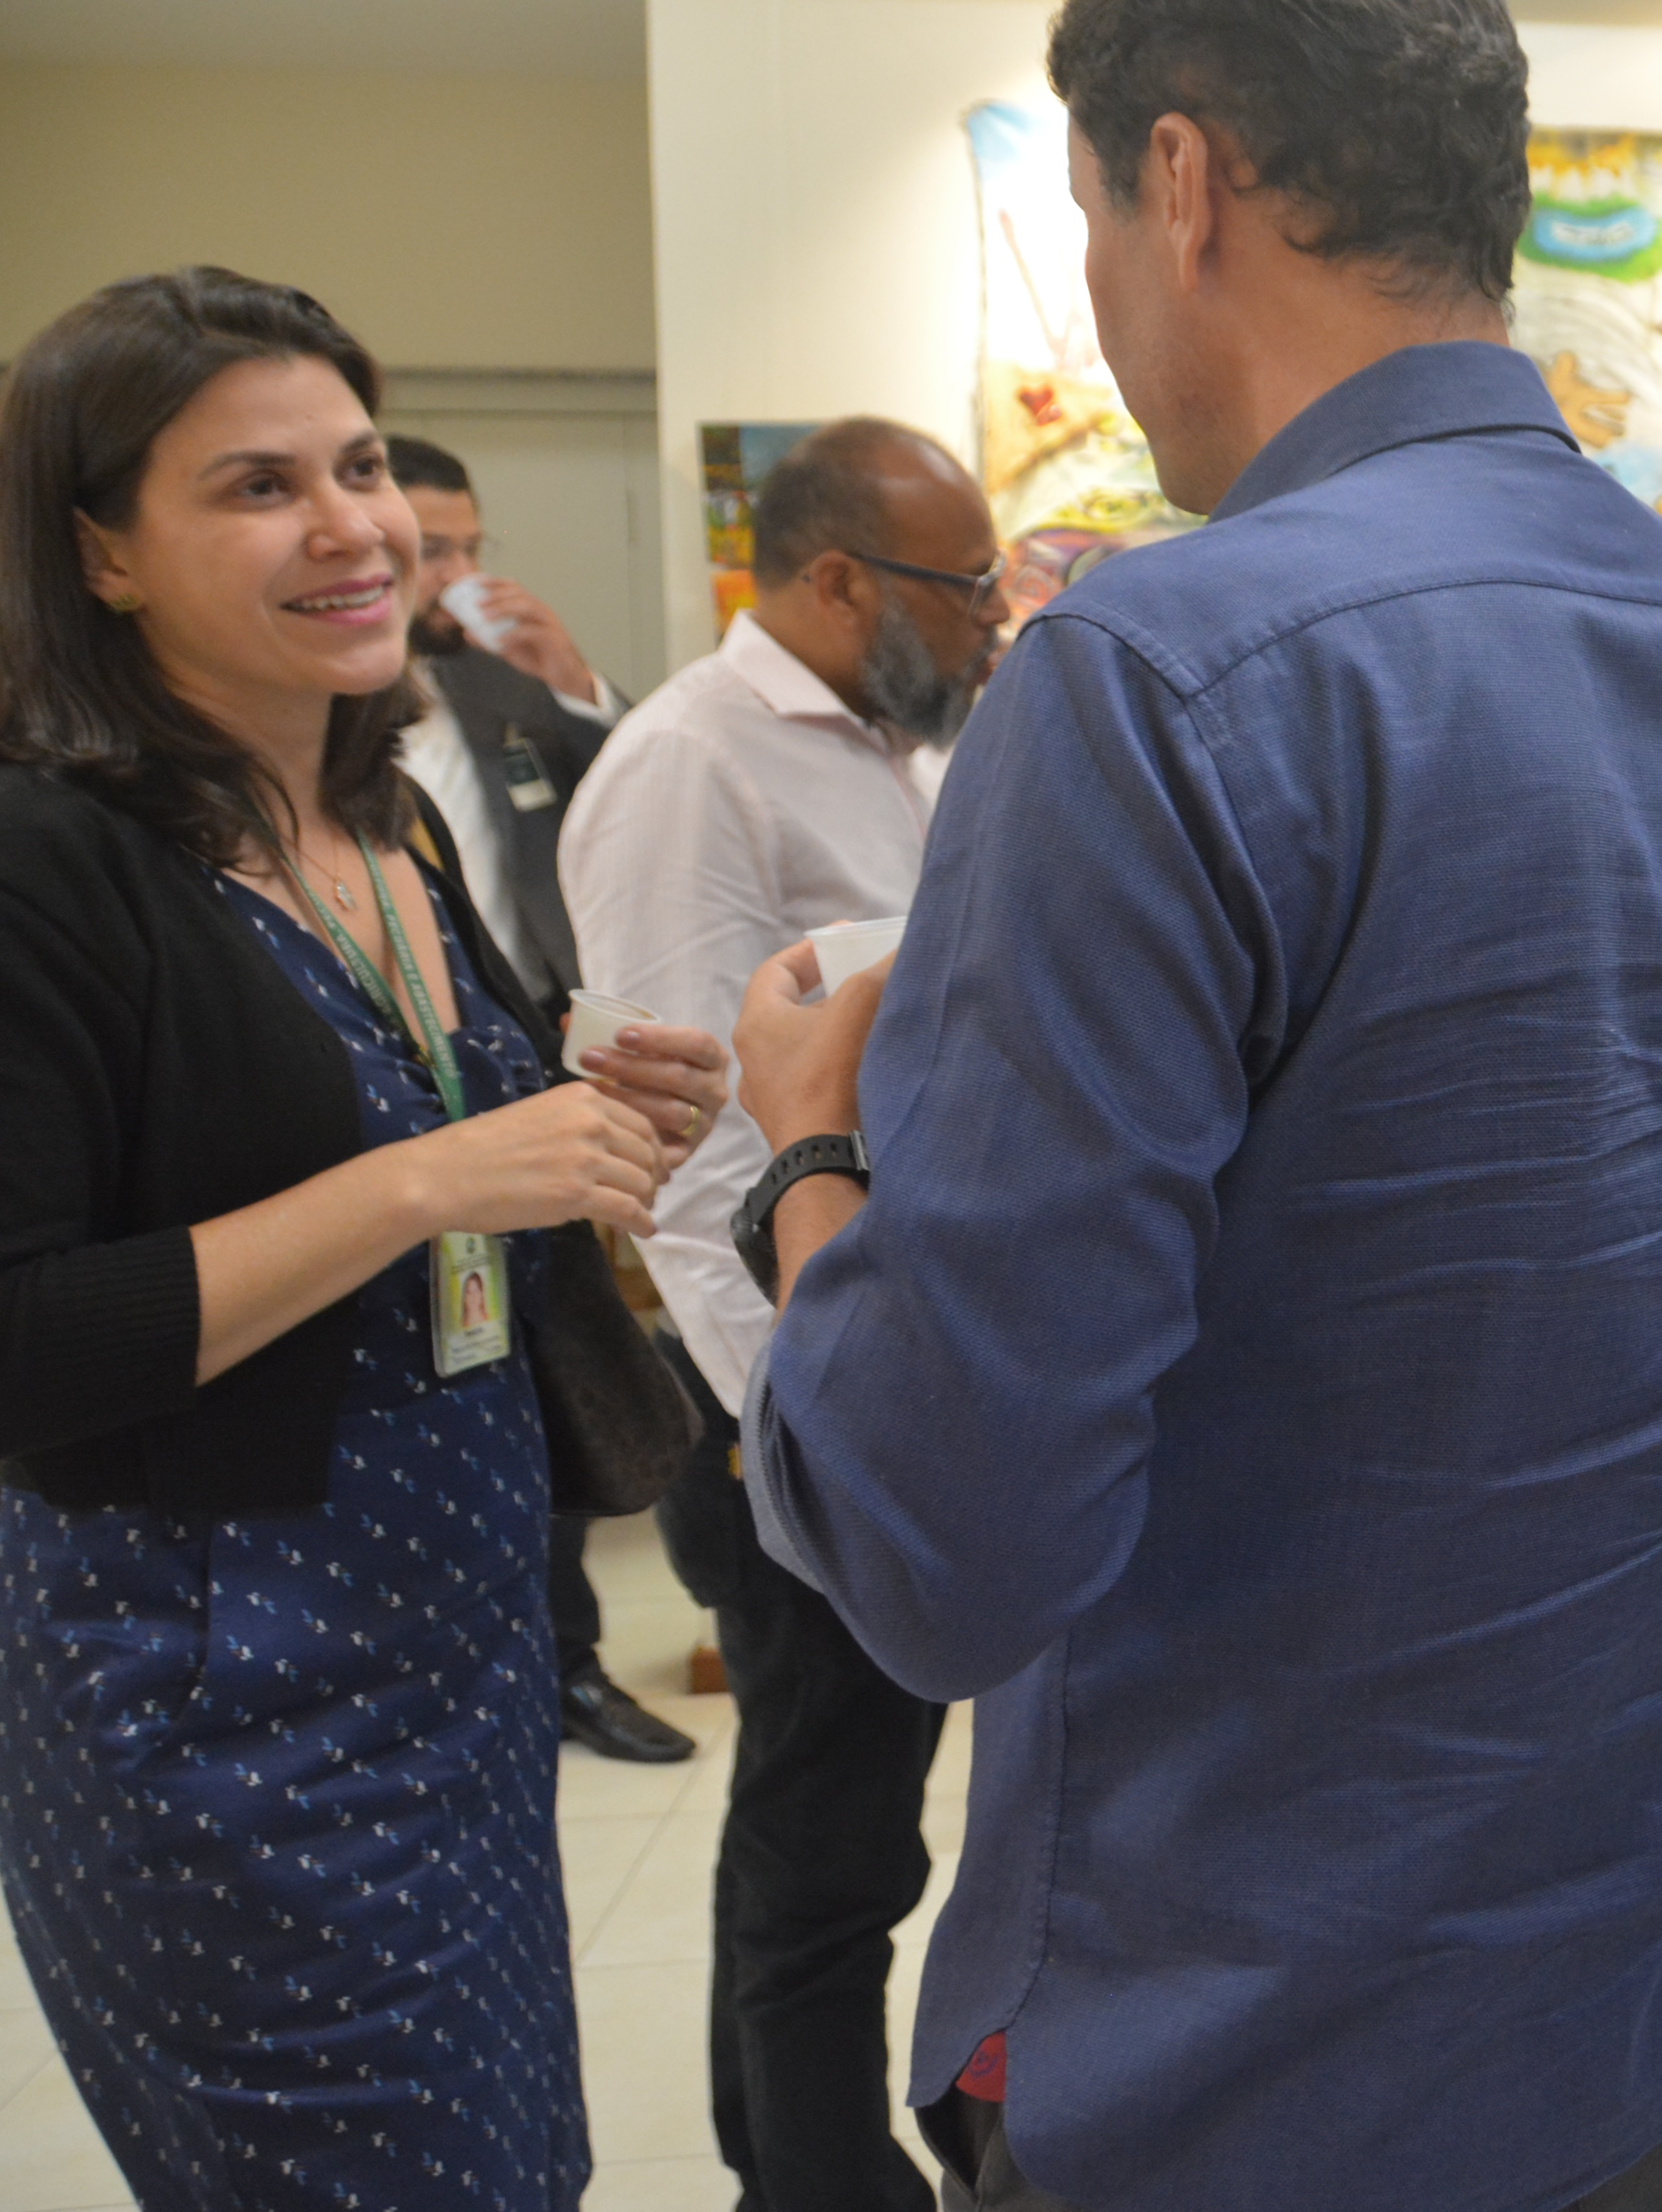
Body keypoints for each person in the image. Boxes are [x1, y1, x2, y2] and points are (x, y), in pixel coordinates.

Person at [721, 0, 1662, 2211]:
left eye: (1092, 227)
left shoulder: (1152, 681)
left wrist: (817, 1156)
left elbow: (942, 1549)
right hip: (1631, 2017)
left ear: (1183, 181)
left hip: (1245, 2051)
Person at [0, 266, 726, 2209]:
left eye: (359, 466)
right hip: (227, 1709)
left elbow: (408, 1109)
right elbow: (27, 1341)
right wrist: (436, 1178)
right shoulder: (47, 858)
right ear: (102, 552)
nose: (354, 527)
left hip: (459, 1665)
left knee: (517, 2163)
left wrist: (592, 1097)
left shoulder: (380, 812)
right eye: (259, 487)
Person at [559, 415, 1005, 2212]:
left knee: (847, 1816)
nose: (990, 618)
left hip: (874, 1350)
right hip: (781, 1391)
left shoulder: (892, 746)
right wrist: (797, 1416)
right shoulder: (691, 766)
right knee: (829, 1838)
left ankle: (804, 2156)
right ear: (835, 580)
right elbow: (683, 1154)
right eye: (963, 586)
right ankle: (813, 2179)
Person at [392, 430, 696, 1765]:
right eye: (429, 547)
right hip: (377, 1098)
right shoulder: (299, 727)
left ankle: (562, 1665)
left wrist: (576, 680)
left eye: (466, 546)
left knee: (542, 1356)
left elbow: (630, 786)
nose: (447, 573)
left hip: (520, 1071)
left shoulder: (494, 691)